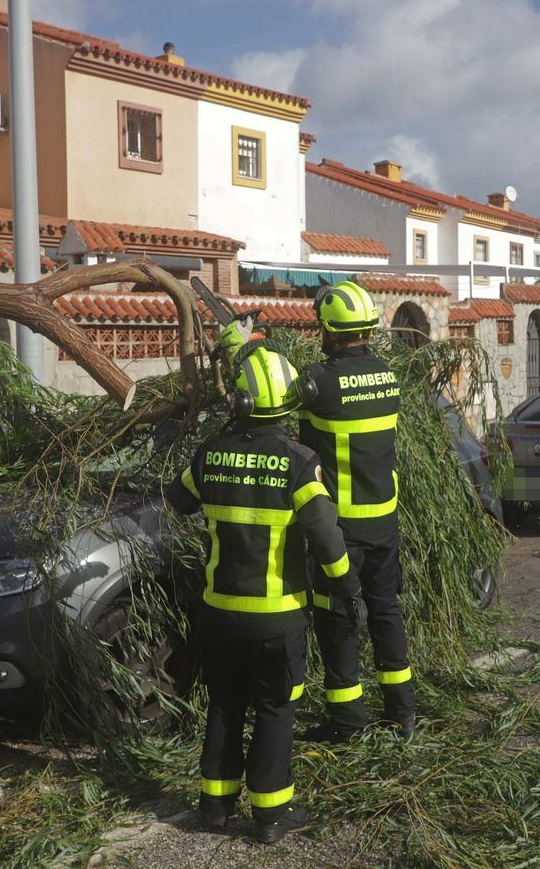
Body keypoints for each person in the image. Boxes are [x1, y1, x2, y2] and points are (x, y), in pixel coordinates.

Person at [165, 346, 358, 844]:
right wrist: (346, 585)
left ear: (240, 400)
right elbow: (326, 537)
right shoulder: (300, 462)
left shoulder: (211, 454)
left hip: (220, 613)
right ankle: (271, 816)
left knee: (225, 704)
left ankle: (214, 806)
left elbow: (178, 500)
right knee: (275, 710)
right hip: (278, 618)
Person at [298, 281, 416, 742]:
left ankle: (347, 723)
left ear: (329, 330)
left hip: (341, 530)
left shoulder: (319, 381)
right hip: (385, 521)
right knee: (386, 611)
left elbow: (269, 404)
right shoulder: (388, 376)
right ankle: (402, 714)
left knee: (338, 619)